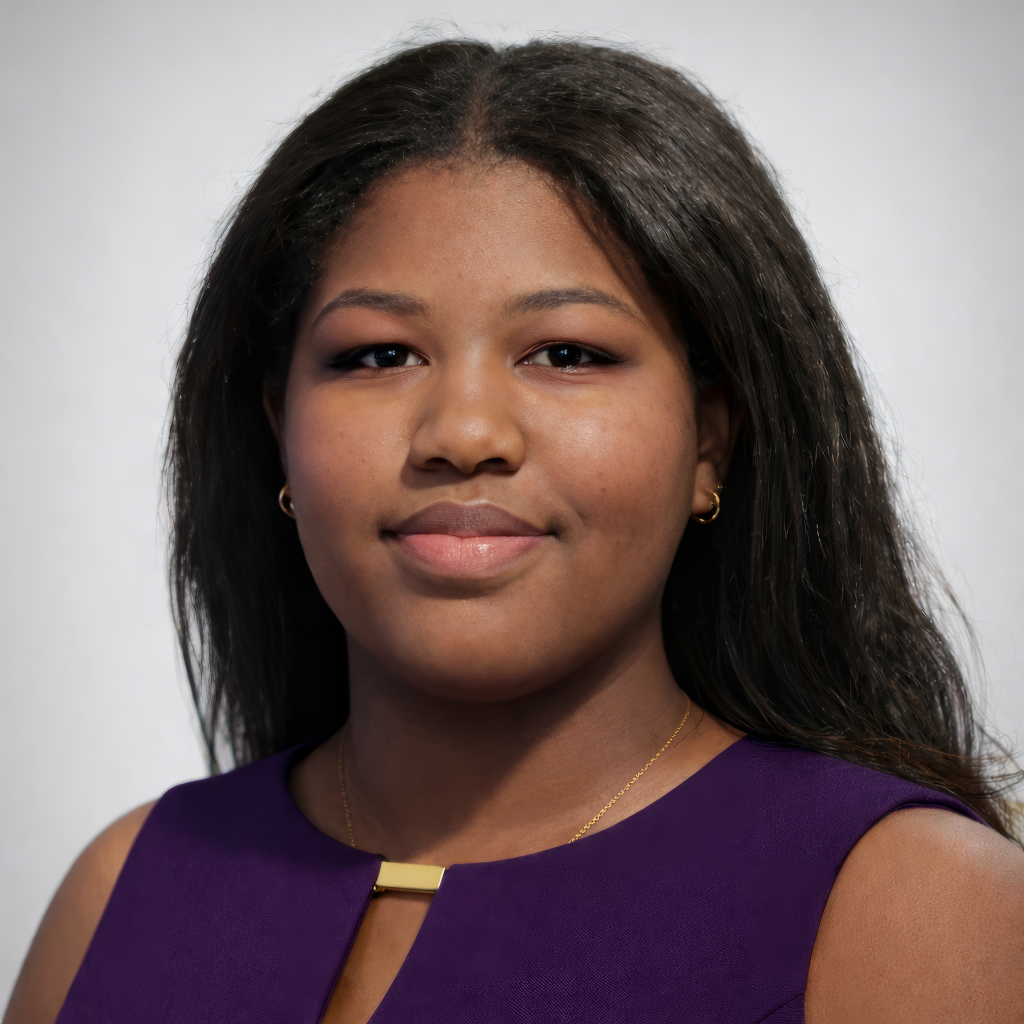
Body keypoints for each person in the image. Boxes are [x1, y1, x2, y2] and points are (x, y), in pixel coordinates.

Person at [5, 37, 1023, 1024]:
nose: (463, 433)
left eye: (567, 352)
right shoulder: (121, 892)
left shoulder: (912, 904)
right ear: (279, 433)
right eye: (378, 355)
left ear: (710, 441)